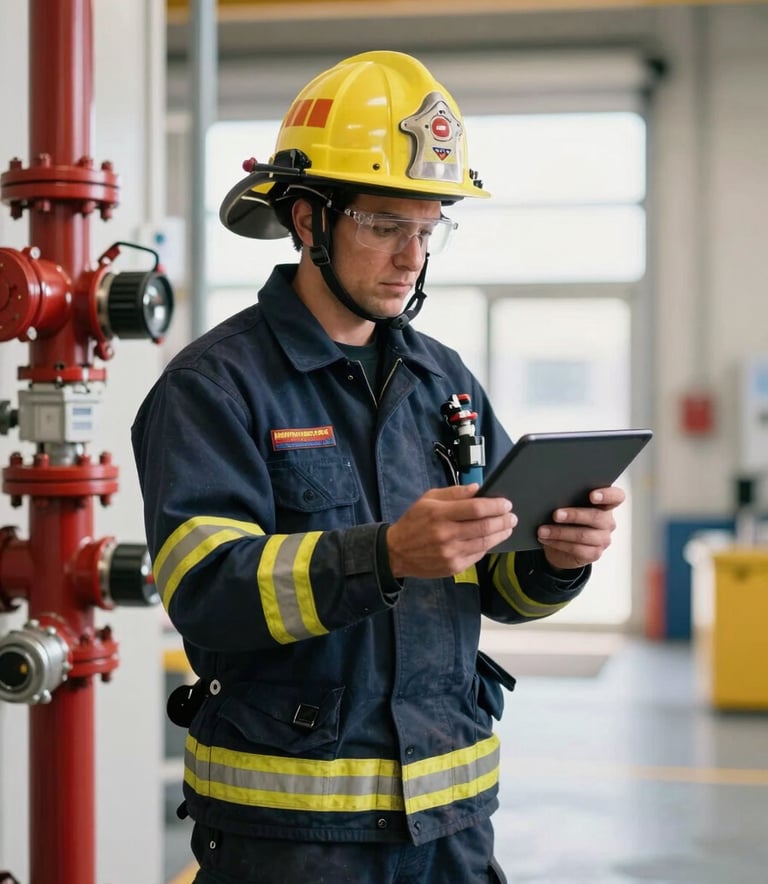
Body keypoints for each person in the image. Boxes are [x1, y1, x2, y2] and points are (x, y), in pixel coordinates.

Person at [131, 50, 625, 884]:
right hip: (290, 843)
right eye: (385, 225)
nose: (412, 257)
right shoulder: (215, 386)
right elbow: (206, 590)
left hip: (452, 828)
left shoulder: (444, 379)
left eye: (429, 229)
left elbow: (504, 588)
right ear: (305, 219)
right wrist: (384, 553)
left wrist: (558, 557)